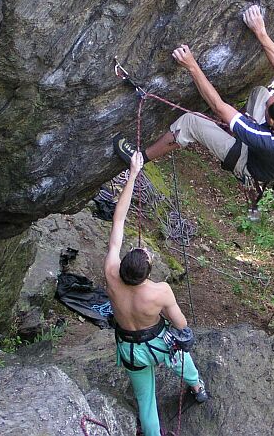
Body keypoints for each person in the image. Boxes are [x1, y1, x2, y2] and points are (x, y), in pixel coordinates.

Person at [113, 5, 274, 186]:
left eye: (268, 107)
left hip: (246, 162)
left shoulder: (267, 140)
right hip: (268, 148)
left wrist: (191, 65)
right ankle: (236, 127)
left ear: (271, 121)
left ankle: (139, 159)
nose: (272, 99)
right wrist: (261, 32)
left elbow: (218, 106)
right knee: (261, 92)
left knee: (191, 121)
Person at [104, 151, 208, 436]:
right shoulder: (160, 291)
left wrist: (134, 174)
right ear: (146, 273)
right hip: (158, 344)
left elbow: (118, 222)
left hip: (130, 348)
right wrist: (184, 333)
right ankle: (197, 386)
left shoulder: (112, 274)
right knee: (179, 355)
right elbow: (181, 325)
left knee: (145, 401)